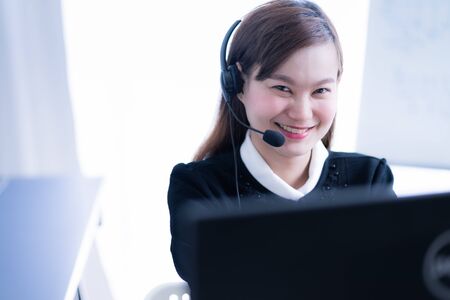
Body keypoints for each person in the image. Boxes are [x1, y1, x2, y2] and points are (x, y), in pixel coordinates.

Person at [167, 0, 396, 285]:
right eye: (282, 88)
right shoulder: (201, 189)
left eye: (321, 90)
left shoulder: (369, 181)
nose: (301, 112)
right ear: (237, 86)